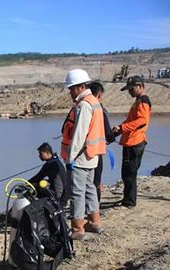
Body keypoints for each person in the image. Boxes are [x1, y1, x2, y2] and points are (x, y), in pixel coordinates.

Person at [61, 69, 106, 240]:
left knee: (77, 192)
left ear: (80, 86)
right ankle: (95, 222)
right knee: (89, 189)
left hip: (80, 157)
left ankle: (78, 228)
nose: (70, 92)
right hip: (91, 156)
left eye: (72, 88)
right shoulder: (94, 102)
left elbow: (79, 135)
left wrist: (70, 158)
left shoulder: (84, 105)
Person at [112, 76, 152, 209]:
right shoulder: (138, 101)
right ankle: (127, 198)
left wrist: (122, 128)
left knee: (129, 172)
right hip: (131, 141)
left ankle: (129, 201)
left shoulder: (143, 101)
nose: (130, 92)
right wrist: (119, 129)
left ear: (140, 86)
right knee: (127, 172)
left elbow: (141, 121)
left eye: (131, 88)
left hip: (135, 142)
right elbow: (131, 121)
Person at [90, 81, 116, 203]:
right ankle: (95, 208)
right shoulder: (99, 109)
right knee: (96, 181)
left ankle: (88, 207)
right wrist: (112, 137)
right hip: (96, 151)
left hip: (81, 153)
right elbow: (107, 132)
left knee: (85, 181)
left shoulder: (81, 107)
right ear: (99, 95)